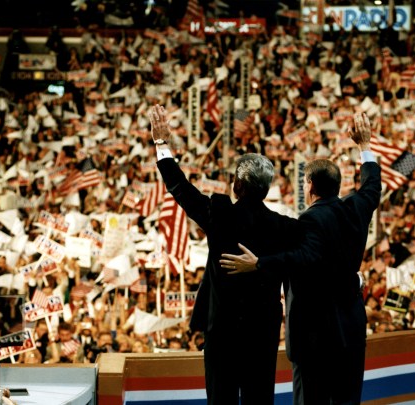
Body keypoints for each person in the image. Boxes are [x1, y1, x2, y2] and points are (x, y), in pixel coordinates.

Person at [221, 112, 381, 405]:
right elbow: (372, 185)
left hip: (314, 338)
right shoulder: (357, 208)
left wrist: (258, 263)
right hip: (351, 329)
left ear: (309, 185)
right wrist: (365, 146)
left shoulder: (308, 221)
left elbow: (302, 257)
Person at [149, 104, 302, 405]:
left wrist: (161, 143)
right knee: (259, 399)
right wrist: (261, 265)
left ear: (238, 185)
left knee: (221, 399)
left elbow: (180, 188)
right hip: (262, 332)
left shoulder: (220, 214)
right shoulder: (283, 227)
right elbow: (307, 256)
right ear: (265, 190)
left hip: (222, 331)